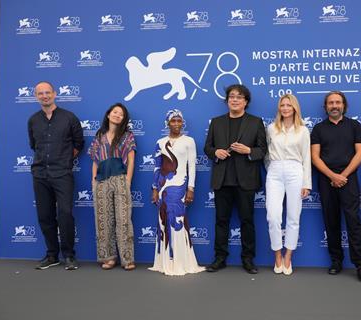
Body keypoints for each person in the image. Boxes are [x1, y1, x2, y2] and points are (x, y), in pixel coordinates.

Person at [204, 84, 267, 274]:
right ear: (227, 101)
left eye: (239, 97)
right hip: (222, 180)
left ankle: (248, 259)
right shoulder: (216, 122)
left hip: (245, 180)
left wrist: (249, 151)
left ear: (245, 102)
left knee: (247, 221)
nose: (234, 100)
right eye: (231, 96)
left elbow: (263, 150)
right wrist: (216, 152)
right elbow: (207, 148)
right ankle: (220, 258)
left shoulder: (256, 122)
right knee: (221, 221)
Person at [311, 91, 361, 282]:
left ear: (343, 105)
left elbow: (360, 154)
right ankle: (336, 261)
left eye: (338, 102)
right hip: (326, 179)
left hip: (348, 179)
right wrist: (332, 176)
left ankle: (360, 265)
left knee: (353, 222)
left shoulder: (354, 125)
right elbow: (315, 157)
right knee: (331, 221)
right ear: (325, 107)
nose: (334, 105)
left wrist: (342, 176)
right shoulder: (319, 128)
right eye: (330, 103)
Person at [28, 81, 84, 270]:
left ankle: (69, 255)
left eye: (47, 92)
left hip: (62, 173)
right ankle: (52, 255)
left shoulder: (69, 118)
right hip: (40, 174)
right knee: (45, 215)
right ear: (36, 96)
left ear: (55, 94)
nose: (44, 96)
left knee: (65, 214)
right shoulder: (33, 120)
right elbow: (33, 145)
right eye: (40, 93)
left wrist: (63, 159)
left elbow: (78, 144)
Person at [148, 109, 205, 276]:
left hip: (180, 186)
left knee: (177, 220)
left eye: (179, 121)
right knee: (163, 220)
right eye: (173, 121)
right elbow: (157, 167)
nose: (176, 124)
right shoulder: (160, 142)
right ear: (167, 123)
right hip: (162, 186)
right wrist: (154, 189)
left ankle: (181, 261)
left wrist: (191, 188)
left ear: (183, 123)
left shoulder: (189, 141)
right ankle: (165, 261)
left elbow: (192, 167)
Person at [265, 94, 311, 275]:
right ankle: (277, 255)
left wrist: (306, 182)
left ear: (295, 108)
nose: (285, 108)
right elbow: (267, 154)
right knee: (273, 216)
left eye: (288, 105)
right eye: (282, 105)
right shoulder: (271, 129)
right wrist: (272, 169)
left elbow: (307, 157)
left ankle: (288, 256)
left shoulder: (303, 130)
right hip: (275, 172)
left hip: (295, 170)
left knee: (293, 216)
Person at [88, 103, 136, 271]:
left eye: (121, 114)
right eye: (115, 112)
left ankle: (127, 258)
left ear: (124, 119)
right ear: (108, 114)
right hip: (101, 180)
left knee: (123, 220)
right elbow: (95, 160)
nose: (117, 115)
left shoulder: (127, 135)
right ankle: (108, 257)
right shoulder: (99, 135)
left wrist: (128, 180)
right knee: (103, 221)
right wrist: (94, 180)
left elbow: (131, 159)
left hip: (120, 179)